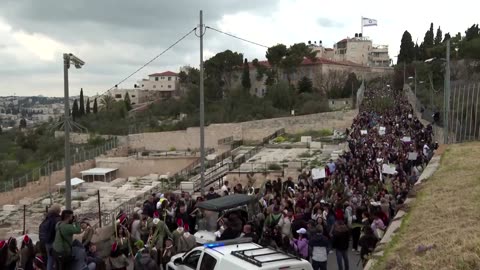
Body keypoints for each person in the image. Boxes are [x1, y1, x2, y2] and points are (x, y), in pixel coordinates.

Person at [38, 203, 61, 270]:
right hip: (54, 242)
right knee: (58, 260)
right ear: (58, 211)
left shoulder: (47, 218)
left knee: (50, 260)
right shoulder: (57, 219)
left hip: (46, 243)